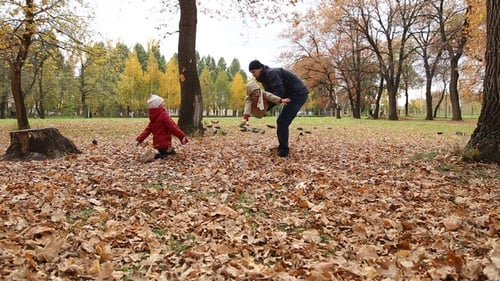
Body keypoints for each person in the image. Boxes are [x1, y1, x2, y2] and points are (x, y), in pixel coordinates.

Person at [248, 60, 309, 157]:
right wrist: (264, 110)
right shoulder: (265, 78)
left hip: (298, 94)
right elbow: (272, 97)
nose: (253, 75)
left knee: (282, 121)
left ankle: (284, 152)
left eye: (254, 72)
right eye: (251, 73)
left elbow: (278, 93)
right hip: (290, 95)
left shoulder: (272, 74)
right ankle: (282, 147)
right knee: (281, 121)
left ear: (260, 69)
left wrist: (264, 107)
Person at [136, 94, 189, 162]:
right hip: (165, 144)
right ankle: (155, 156)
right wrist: (182, 136)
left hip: (157, 145)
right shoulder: (163, 115)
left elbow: (147, 130)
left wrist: (139, 140)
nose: (164, 103)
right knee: (170, 155)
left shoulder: (153, 117)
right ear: (158, 105)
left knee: (169, 153)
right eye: (162, 102)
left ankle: (157, 154)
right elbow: (172, 127)